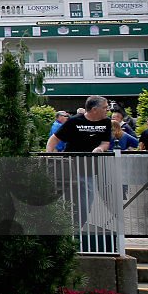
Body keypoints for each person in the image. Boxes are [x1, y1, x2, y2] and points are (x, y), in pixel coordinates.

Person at [46, 95, 112, 226]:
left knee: (88, 197)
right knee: (68, 196)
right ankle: (66, 224)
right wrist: (49, 156)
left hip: (90, 167)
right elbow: (54, 138)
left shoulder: (106, 122)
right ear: (94, 109)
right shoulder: (74, 121)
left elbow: (106, 142)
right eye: (105, 107)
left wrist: (100, 148)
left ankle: (79, 225)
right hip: (70, 166)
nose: (108, 110)